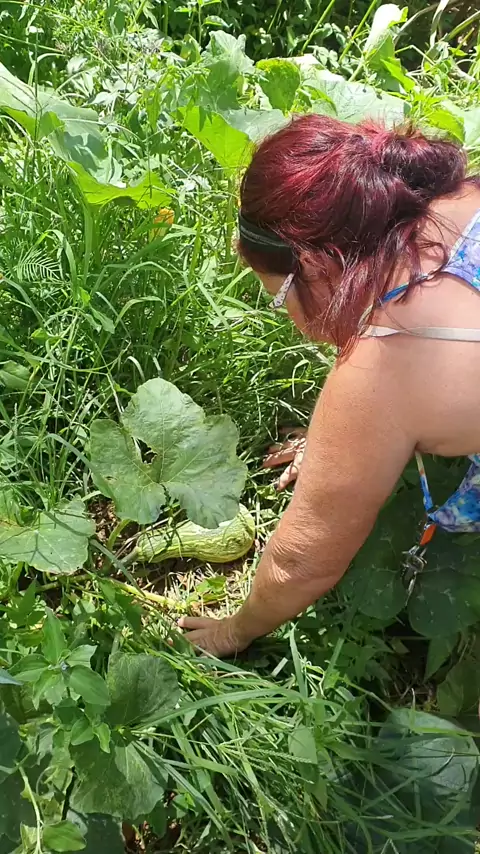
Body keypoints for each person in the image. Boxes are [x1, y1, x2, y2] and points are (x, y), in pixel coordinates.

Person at [179, 114, 480, 656]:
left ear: (317, 264)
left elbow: (302, 561)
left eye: (278, 296)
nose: (287, 316)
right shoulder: (461, 198)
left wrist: (234, 630)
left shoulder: (388, 360)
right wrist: (337, 447)